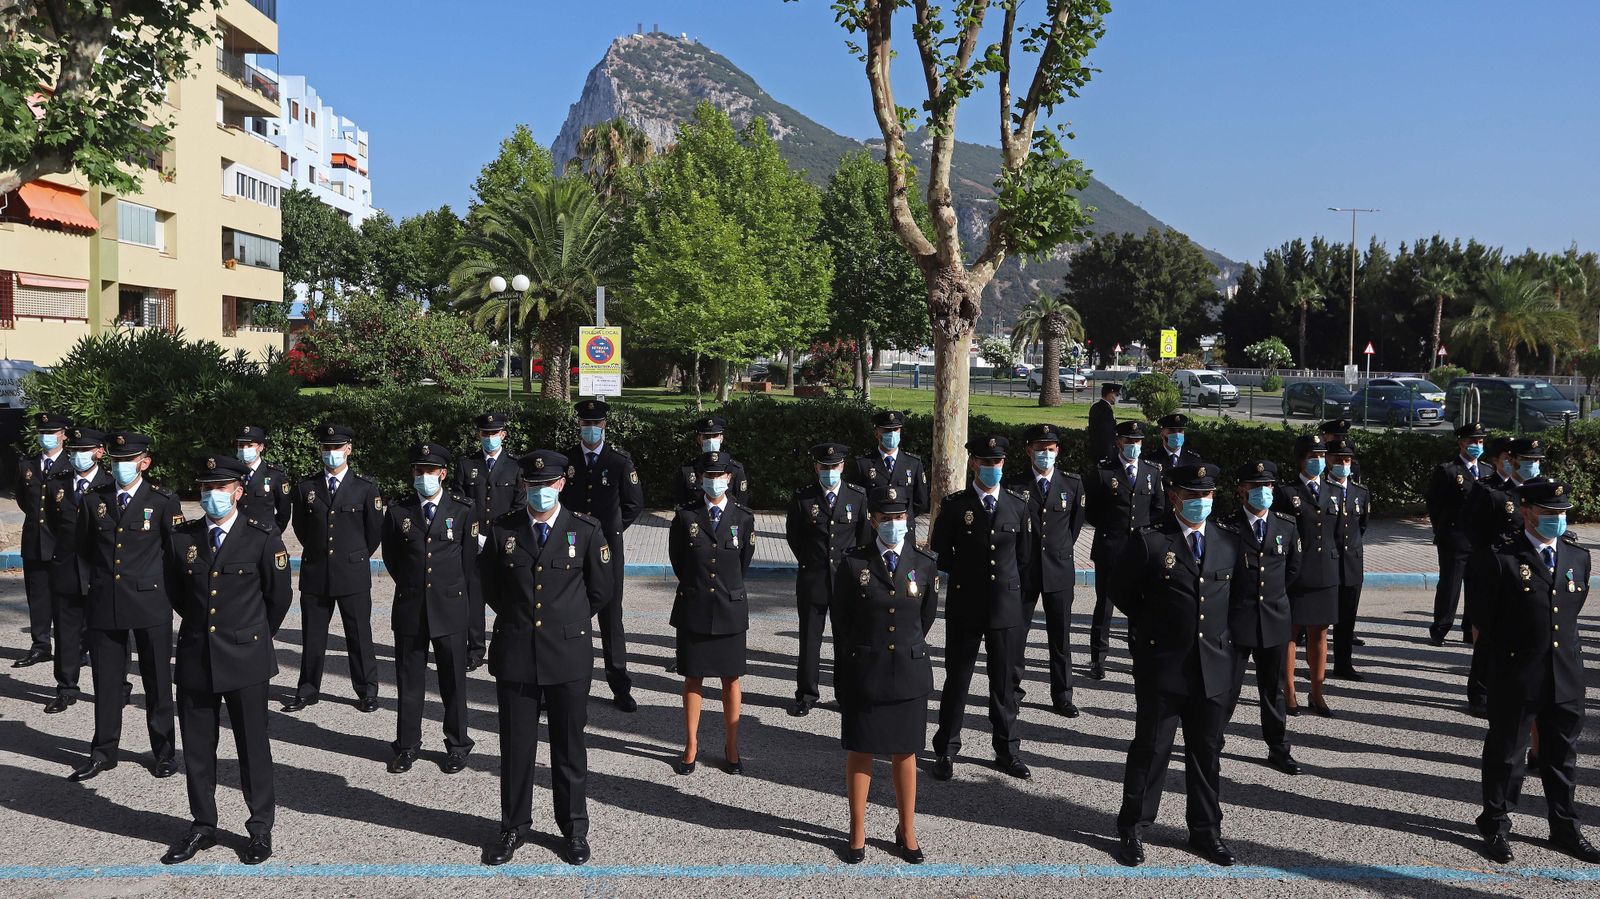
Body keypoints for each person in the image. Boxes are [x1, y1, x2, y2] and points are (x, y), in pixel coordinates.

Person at [480, 450, 614, 867]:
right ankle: (513, 826)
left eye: (547, 485)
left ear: (561, 484)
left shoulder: (586, 531)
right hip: (517, 652)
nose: (539, 492)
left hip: (567, 654)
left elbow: (600, 591)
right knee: (516, 747)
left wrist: (564, 622)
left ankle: (573, 829)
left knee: (569, 747)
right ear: (524, 486)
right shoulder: (505, 532)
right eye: (532, 486)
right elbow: (491, 588)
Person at [159, 454, 291, 866]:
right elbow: (178, 593)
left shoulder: (262, 537)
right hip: (198, 656)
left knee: (253, 747)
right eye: (205, 488)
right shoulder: (184, 538)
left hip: (246, 657)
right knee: (198, 749)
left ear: (238, 491)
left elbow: (278, 598)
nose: (211, 495)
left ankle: (259, 829)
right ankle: (203, 825)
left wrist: (250, 636)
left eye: (219, 488)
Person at [1112, 462, 1239, 868]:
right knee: (1151, 750)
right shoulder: (1152, 542)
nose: (1201, 502)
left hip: (1213, 666)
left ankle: (1205, 831)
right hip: (1164, 665)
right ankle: (1133, 826)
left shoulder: (1227, 542)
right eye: (1193, 495)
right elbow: (1122, 591)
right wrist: (1153, 631)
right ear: (1174, 497)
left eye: (1207, 495)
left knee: (1206, 753)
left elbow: (1234, 603)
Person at [1476, 480, 1600, 865]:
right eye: (1549, 514)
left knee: (1562, 754)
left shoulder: (1577, 556)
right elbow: (1485, 622)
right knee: (1507, 753)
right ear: (1526, 511)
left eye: (1562, 514)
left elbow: (1570, 610)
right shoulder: (1501, 557)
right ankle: (1495, 822)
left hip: (1565, 673)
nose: (1557, 520)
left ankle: (1564, 825)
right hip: (1517, 671)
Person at [830, 485, 938, 865]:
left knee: (904, 753)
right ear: (873, 520)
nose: (894, 524)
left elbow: (924, 619)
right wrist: (845, 673)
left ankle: (906, 827)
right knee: (861, 750)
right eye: (886, 518)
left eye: (900, 517)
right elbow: (841, 623)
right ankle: (857, 827)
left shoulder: (924, 563)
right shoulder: (852, 564)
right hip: (866, 671)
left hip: (908, 673)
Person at [71, 430, 181, 782]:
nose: (119, 467)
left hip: (150, 602)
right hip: (106, 602)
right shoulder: (94, 499)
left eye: (127, 461)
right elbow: (84, 549)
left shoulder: (163, 501)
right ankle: (103, 751)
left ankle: (164, 752)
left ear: (144, 463)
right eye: (115, 461)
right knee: (106, 681)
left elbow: (176, 555)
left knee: (157, 680)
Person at [929, 435, 1034, 781]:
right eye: (986, 462)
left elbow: (1023, 558)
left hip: (1005, 606)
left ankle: (1007, 749)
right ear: (974, 463)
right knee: (958, 679)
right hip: (966, 603)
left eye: (997, 462)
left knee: (1004, 683)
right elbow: (941, 554)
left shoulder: (1018, 505)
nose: (992, 468)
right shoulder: (956, 505)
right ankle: (946, 748)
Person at [380, 443, 479, 775]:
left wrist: (448, 591)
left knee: (453, 682)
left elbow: (467, 562)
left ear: (443, 474)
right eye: (418, 471)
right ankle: (407, 746)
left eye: (430, 471)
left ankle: (457, 745)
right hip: (410, 607)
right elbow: (393, 559)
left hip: (449, 608)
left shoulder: (463, 510)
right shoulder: (398, 512)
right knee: (409, 681)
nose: (423, 477)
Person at [668, 451, 757, 775]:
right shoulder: (686, 517)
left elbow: (742, 562)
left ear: (730, 479)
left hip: (730, 608)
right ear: (701, 479)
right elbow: (679, 561)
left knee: (730, 679)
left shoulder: (743, 517)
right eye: (709, 475)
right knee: (693, 678)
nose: (714, 481)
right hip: (695, 606)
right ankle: (691, 744)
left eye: (720, 476)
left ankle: (731, 744)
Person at [285, 423, 384, 713]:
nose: (330, 454)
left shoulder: (365, 488)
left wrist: (353, 556)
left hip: (352, 571)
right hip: (316, 571)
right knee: (312, 636)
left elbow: (373, 532)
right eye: (326, 448)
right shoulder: (307, 487)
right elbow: (301, 528)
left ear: (348, 450)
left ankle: (367, 691)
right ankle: (308, 689)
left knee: (358, 634)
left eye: (336, 449)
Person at [560, 399, 645, 711]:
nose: (591, 429)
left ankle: (620, 686)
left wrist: (610, 531)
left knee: (611, 619)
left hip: (608, 551)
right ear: (579, 426)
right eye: (586, 424)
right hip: (571, 550)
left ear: (605, 425)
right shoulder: (567, 462)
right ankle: (563, 682)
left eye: (596, 424)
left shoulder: (620, 461)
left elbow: (634, 504)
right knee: (567, 616)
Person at [1003, 423, 1086, 717]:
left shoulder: (1072, 485)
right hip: (1024, 570)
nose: (1045, 454)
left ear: (1058, 451)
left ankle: (1062, 695)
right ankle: (1011, 691)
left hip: (1059, 571)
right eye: (1040, 449)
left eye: (1050, 449)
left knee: (1060, 637)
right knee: (1017, 635)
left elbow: (1073, 527)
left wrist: (1058, 551)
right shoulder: (1014, 485)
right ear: (1028, 450)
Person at [1227, 461, 1302, 775]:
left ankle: (1278, 747)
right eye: (1256, 487)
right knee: (1226, 688)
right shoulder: (1227, 528)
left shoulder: (1286, 526)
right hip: (1237, 620)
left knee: (1273, 689)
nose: (1263, 492)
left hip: (1273, 620)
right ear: (1242, 490)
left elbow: (1293, 571)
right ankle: (1211, 741)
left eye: (1268, 486)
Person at [784, 442, 870, 717]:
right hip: (813, 578)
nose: (829, 471)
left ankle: (844, 694)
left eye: (834, 467)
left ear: (842, 467)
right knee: (810, 640)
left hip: (846, 583)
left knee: (845, 640)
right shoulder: (803, 498)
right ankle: (806, 695)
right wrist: (812, 562)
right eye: (824, 467)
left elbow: (863, 539)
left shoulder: (857, 497)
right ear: (816, 467)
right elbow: (794, 537)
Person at [1084, 420, 1166, 679]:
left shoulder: (1152, 472)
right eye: (1129, 441)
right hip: (1110, 545)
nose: (1133, 446)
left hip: (1139, 550)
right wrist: (1113, 531)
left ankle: (1137, 653)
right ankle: (1098, 658)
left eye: (1137, 442)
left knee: (1138, 604)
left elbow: (1158, 507)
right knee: (1104, 605)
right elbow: (1093, 512)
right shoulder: (1104, 472)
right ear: (1118, 442)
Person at [41, 426, 111, 714]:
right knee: (67, 634)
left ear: (99, 452)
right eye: (74, 451)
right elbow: (53, 526)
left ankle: (114, 687)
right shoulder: (57, 483)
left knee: (106, 636)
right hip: (67, 569)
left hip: (101, 572)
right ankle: (66, 688)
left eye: (85, 451)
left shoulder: (110, 485)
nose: (78, 456)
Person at [1463, 437, 1533, 716]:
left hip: (1530, 573)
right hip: (1496, 571)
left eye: (1535, 461)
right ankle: (1479, 692)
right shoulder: (1489, 490)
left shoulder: (1541, 490)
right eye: (1524, 460)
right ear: (1509, 460)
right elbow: (1473, 528)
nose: (1531, 466)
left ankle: (1512, 689)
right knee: (1490, 635)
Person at [1275, 434, 1336, 717]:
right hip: (1297, 572)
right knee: (1291, 633)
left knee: (1320, 633)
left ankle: (1317, 692)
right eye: (1312, 456)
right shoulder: (1287, 493)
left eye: (1322, 456)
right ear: (1300, 460)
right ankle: (1289, 691)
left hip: (1325, 571)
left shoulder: (1333, 489)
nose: (1318, 461)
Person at [457, 411, 521, 671]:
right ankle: (475, 649)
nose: (490, 437)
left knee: (508, 596)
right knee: (474, 599)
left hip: (504, 543)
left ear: (503, 435)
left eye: (494, 433)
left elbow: (519, 505)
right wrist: (475, 535)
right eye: (486, 433)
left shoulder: (515, 466)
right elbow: (460, 502)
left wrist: (498, 536)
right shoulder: (467, 465)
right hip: (474, 541)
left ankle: (507, 644)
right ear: (479, 435)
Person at [14, 412, 69, 669]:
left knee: (66, 599)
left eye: (52, 433)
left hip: (62, 544)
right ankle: (40, 646)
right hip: (34, 541)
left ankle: (72, 648)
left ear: (63, 435)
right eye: (42, 433)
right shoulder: (27, 465)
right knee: (37, 597)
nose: (46, 437)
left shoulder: (71, 465)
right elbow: (25, 502)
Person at [1426, 423, 1489, 646]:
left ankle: (1470, 630)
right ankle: (1441, 629)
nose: (1477, 445)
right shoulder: (1448, 470)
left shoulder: (1487, 471)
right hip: (1455, 538)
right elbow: (1435, 504)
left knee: (1477, 586)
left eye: (1480, 442)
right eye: (1472, 441)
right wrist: (1443, 532)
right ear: (1461, 442)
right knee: (1450, 586)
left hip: (1479, 540)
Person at [1326, 438, 1371, 685]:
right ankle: (1316, 662)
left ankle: (1343, 664)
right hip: (1326, 563)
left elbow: (1361, 526)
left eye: (1347, 459)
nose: (1343, 463)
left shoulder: (1360, 492)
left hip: (1352, 564)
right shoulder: (1321, 490)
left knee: (1347, 619)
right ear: (1327, 461)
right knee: (1320, 621)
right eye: (1338, 459)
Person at [847, 410, 929, 542]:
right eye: (886, 430)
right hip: (873, 533)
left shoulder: (913, 463)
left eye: (895, 429)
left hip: (904, 533)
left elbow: (921, 502)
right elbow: (855, 502)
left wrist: (899, 519)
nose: (891, 434)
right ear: (876, 433)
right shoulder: (863, 464)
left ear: (900, 432)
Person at [675, 417, 750, 507]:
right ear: (699, 439)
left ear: (721, 438)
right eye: (706, 437)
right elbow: (681, 505)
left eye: (715, 436)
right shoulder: (687, 470)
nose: (711, 440)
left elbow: (741, 503)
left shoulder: (735, 468)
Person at [233, 425, 292, 533]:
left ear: (260, 447)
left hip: (263, 536)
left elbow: (284, 512)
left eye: (250, 445)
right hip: (236, 534)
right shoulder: (232, 473)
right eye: (241, 445)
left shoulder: (275, 475)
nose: (244, 449)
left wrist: (272, 533)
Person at [1086, 381, 1121, 468]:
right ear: (1110, 394)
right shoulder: (1103, 409)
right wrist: (1108, 453)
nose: (1117, 397)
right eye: (1116, 395)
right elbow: (1106, 434)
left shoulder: (1101, 407)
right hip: (1103, 453)